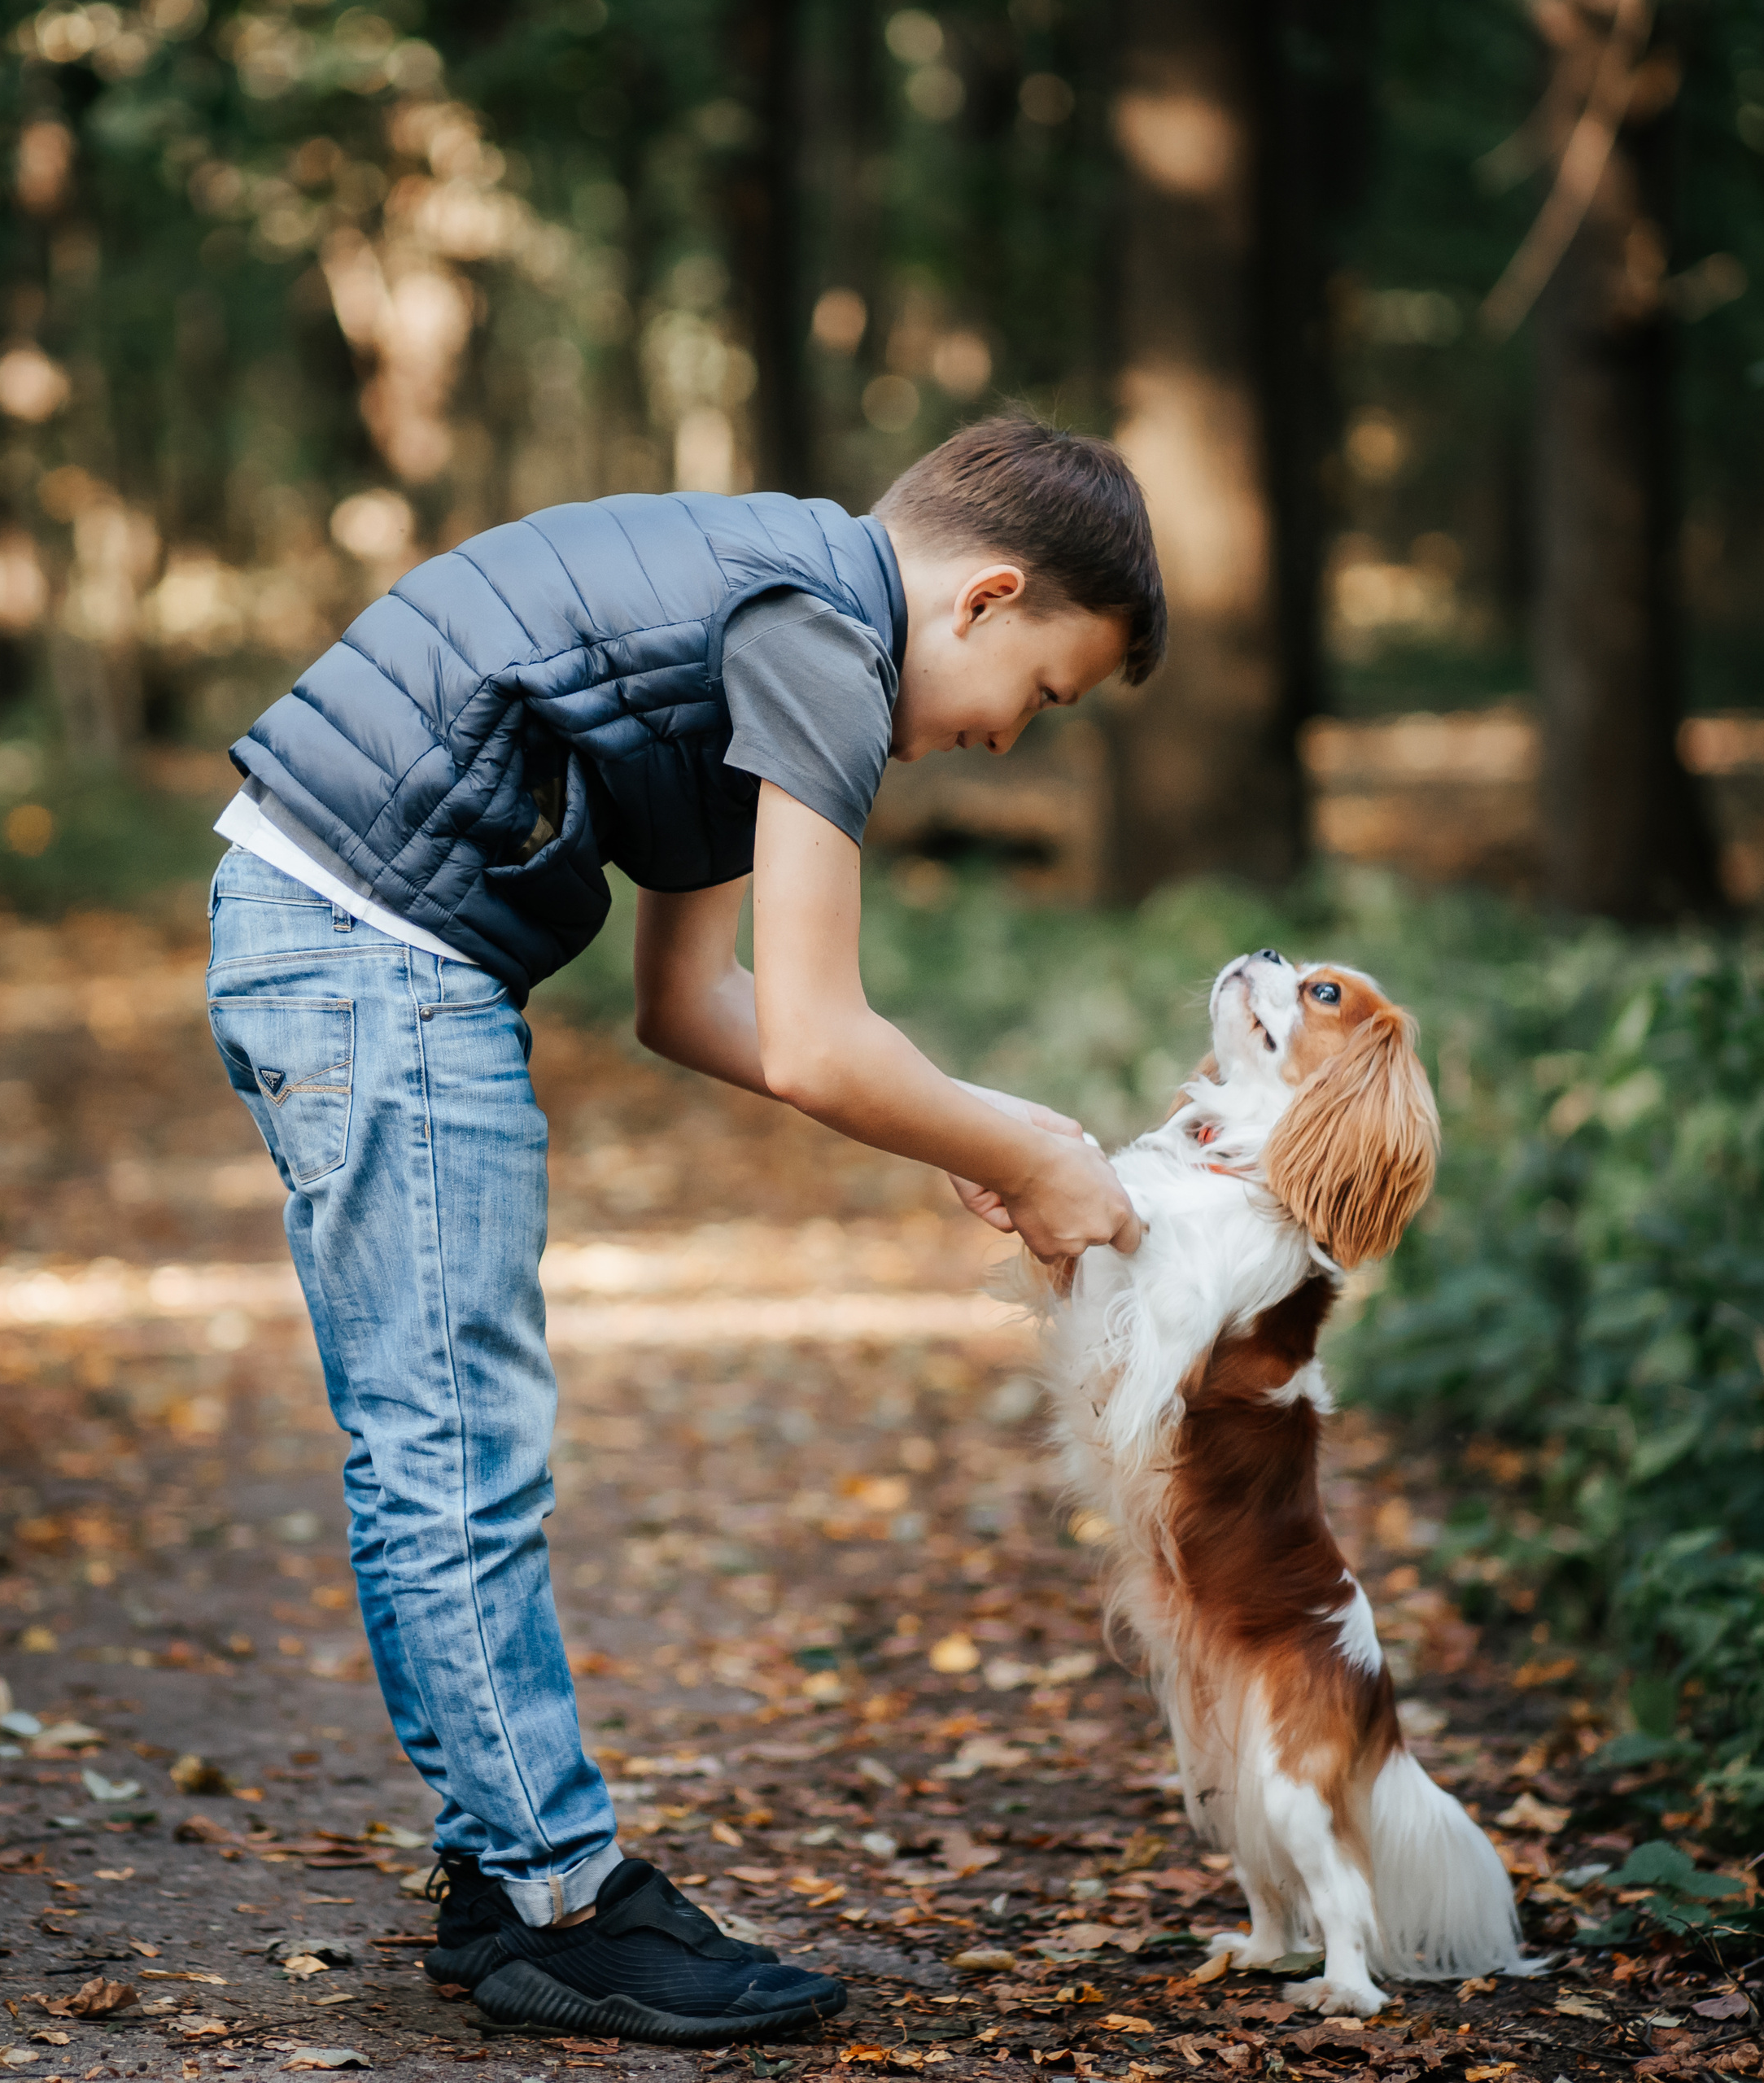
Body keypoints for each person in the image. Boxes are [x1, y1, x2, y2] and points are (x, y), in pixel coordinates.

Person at [203, 414, 1165, 2045]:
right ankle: (547, 1895)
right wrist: (1025, 1147)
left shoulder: (775, 615)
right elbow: (809, 1037)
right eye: (1044, 694)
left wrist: (985, 1129)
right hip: (368, 949)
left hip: (353, 940)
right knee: (449, 1434)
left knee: (451, 1425)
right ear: (987, 596)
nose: (1012, 739)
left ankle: (507, 1863)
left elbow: (690, 1003)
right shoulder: (821, 640)